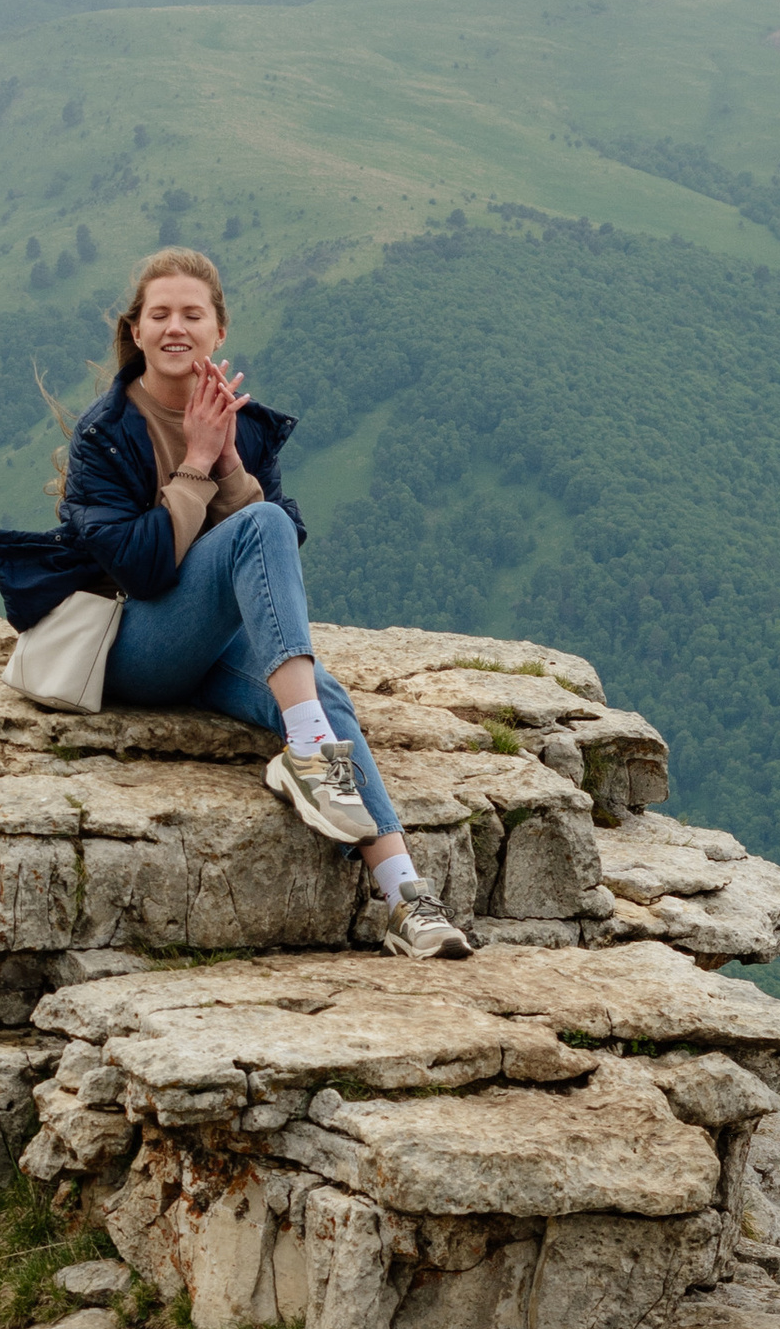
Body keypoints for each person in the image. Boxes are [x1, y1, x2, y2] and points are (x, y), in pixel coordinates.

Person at [31, 247, 473, 959]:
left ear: (219, 331)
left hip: (210, 643)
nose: (177, 326)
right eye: (161, 314)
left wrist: (233, 460)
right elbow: (141, 570)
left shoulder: (246, 423)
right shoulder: (104, 436)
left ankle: (404, 898)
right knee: (260, 531)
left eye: (193, 314)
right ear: (136, 331)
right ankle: (305, 752)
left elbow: (280, 545)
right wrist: (198, 463)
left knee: (322, 695)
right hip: (137, 646)